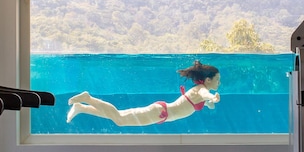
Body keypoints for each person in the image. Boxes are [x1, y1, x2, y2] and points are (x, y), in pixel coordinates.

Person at [67, 61, 220, 126]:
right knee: (119, 119)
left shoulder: (199, 90)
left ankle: (82, 108)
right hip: (160, 112)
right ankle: (88, 98)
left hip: (160, 113)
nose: (219, 83)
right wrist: (212, 97)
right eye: (217, 80)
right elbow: (206, 95)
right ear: (208, 80)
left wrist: (210, 103)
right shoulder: (202, 90)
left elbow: (202, 101)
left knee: (119, 117)